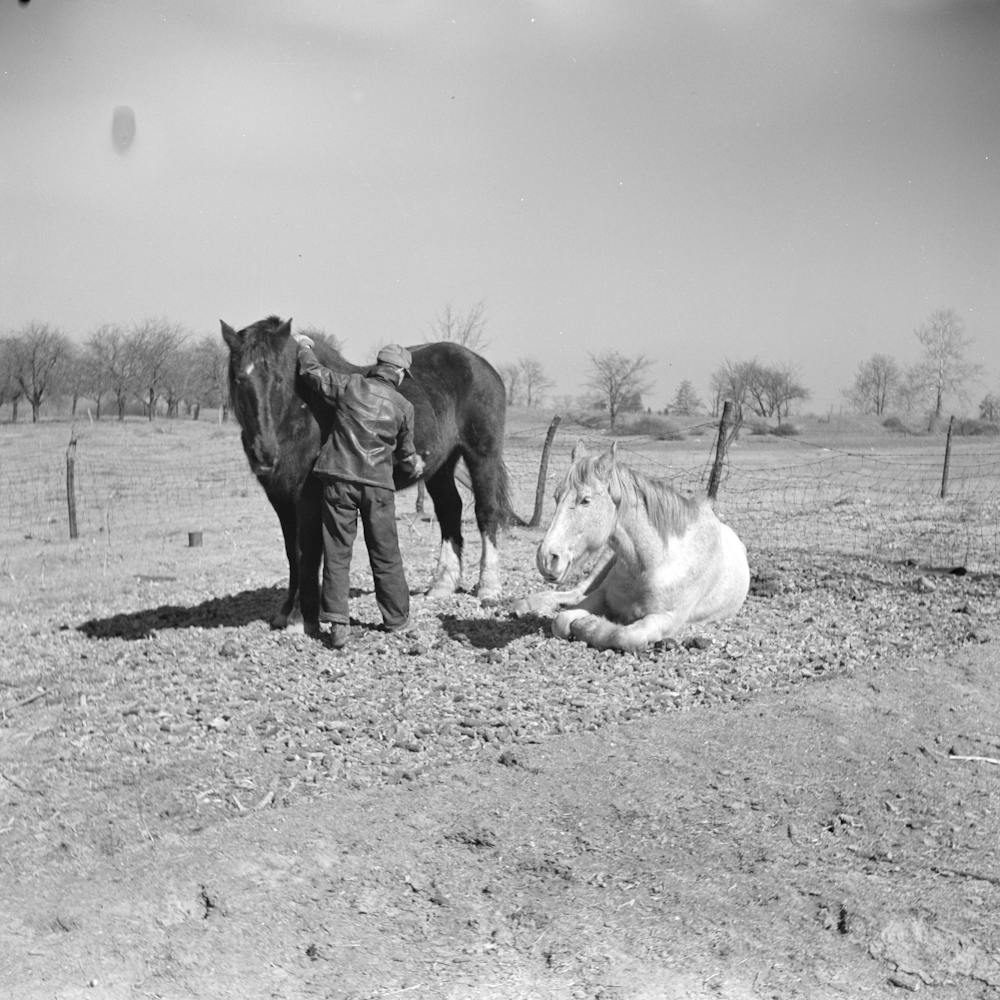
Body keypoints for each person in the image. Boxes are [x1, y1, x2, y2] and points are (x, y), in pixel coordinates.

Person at [293, 334, 426, 649]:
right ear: (400, 374)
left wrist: (304, 348)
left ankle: (338, 624)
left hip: (339, 478)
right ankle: (397, 621)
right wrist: (415, 465)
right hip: (378, 487)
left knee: (338, 552)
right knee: (386, 553)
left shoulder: (351, 385)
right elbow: (407, 456)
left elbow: (314, 375)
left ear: (379, 367)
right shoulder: (404, 407)